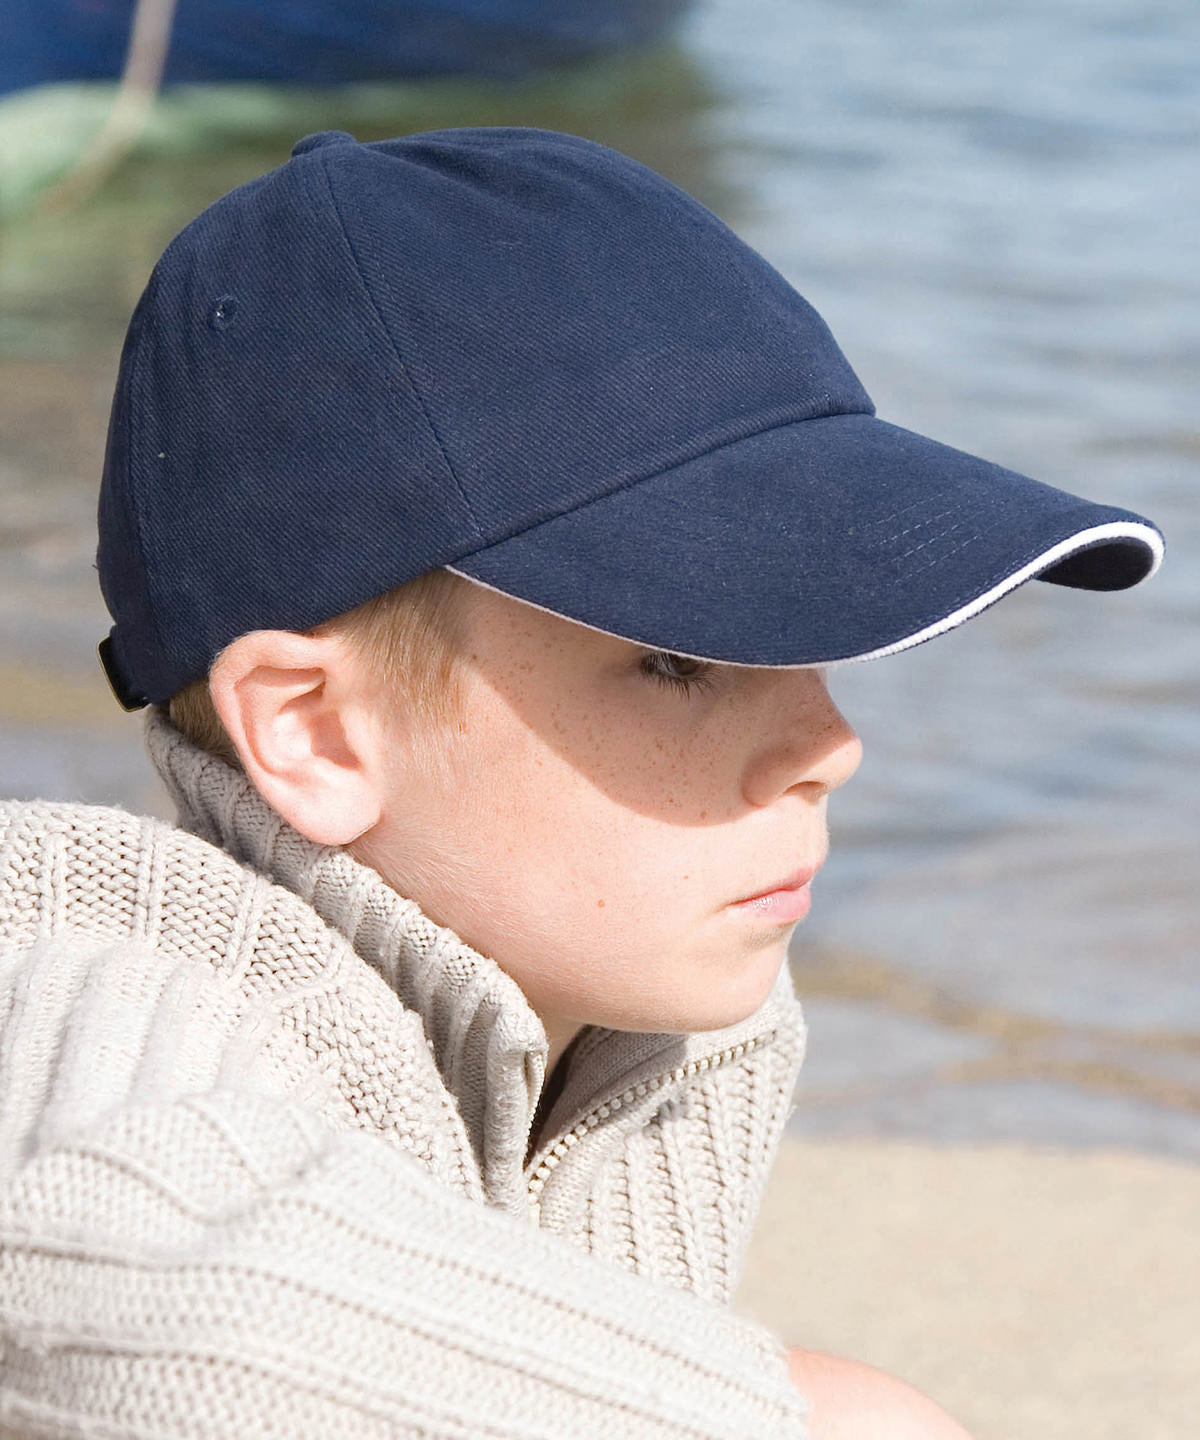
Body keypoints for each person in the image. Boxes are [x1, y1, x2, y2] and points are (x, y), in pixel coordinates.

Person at [0, 127, 1161, 1438]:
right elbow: (109, 1283)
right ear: (315, 732)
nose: (830, 745)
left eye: (806, 638)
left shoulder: (647, 1026)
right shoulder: (121, 973)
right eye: (675, 661)